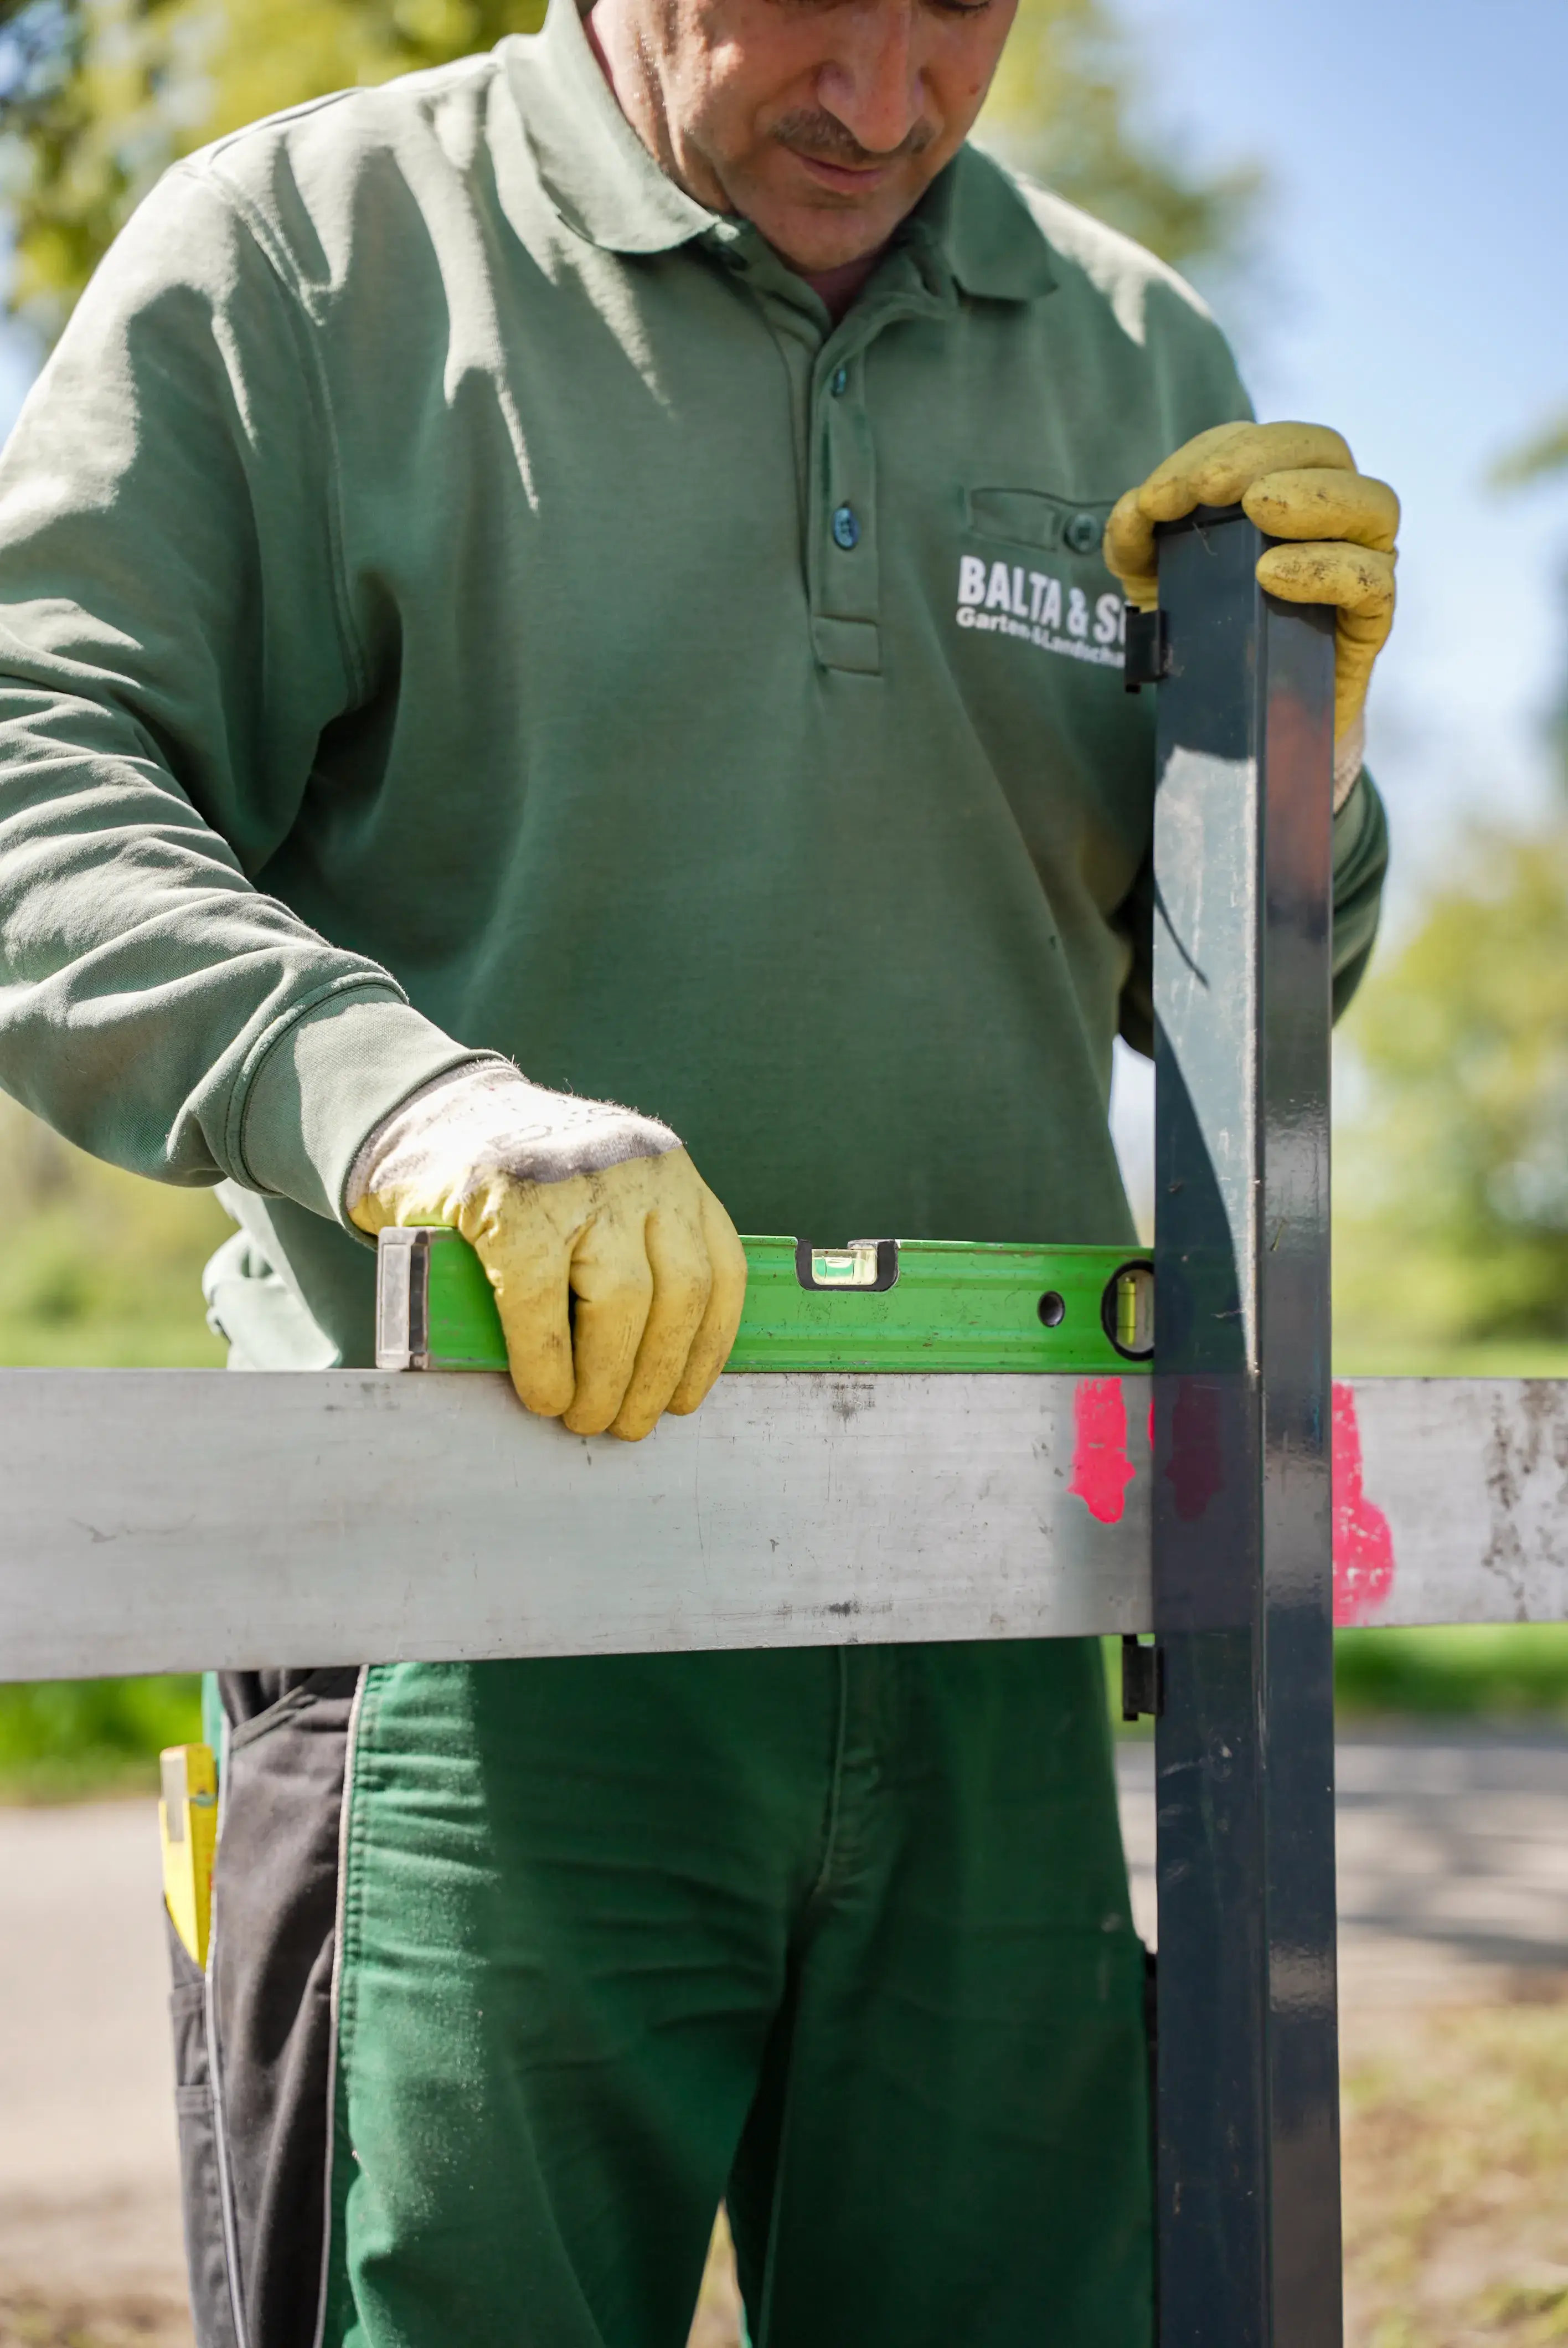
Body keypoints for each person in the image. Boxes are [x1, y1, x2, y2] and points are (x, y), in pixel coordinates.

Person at [0, 0, 1393, 2335]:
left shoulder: (1134, 356)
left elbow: (1237, 996)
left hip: (996, 1629)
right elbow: (35, 778)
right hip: (470, 1601)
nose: (880, 99)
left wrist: (1296, 786)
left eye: (958, 9)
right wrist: (390, 1091)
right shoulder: (307, 254)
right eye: (803, 3)